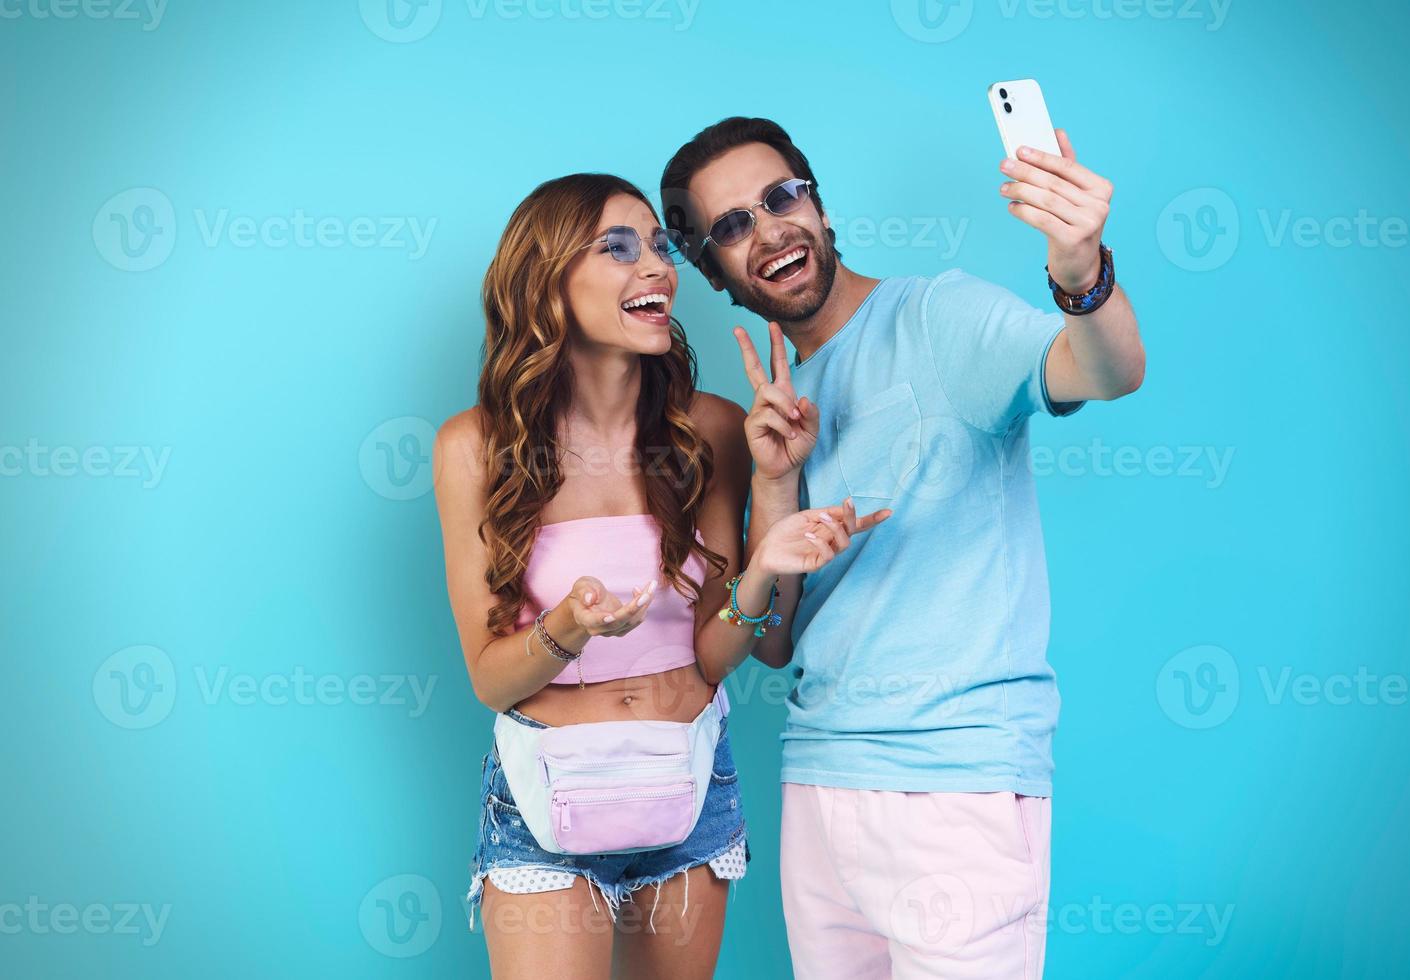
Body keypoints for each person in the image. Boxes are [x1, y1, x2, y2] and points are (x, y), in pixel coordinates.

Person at [660, 117, 1146, 978]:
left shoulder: (936, 318)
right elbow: (772, 645)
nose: (769, 230)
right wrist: (774, 483)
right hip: (819, 783)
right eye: (732, 226)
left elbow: (1105, 371)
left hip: (954, 782)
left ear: (817, 202)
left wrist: (1082, 272)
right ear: (714, 273)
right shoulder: (776, 404)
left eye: (782, 197)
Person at [432, 172, 889, 979]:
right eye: (617, 248)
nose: (656, 267)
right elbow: (489, 679)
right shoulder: (475, 447)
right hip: (545, 796)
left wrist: (764, 563)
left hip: (688, 783)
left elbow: (714, 655)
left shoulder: (709, 428)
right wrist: (568, 627)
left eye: (658, 245)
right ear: (547, 282)